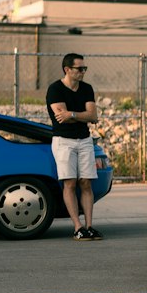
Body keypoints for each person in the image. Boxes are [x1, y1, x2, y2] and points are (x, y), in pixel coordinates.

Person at [46, 53, 101, 239]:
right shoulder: (55, 89)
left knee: (86, 182)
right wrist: (77, 115)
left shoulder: (87, 89)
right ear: (67, 69)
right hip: (64, 141)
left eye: (84, 68)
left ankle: (89, 226)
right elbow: (61, 119)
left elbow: (93, 116)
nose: (83, 72)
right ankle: (78, 227)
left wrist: (73, 115)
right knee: (69, 183)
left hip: (84, 140)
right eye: (79, 69)